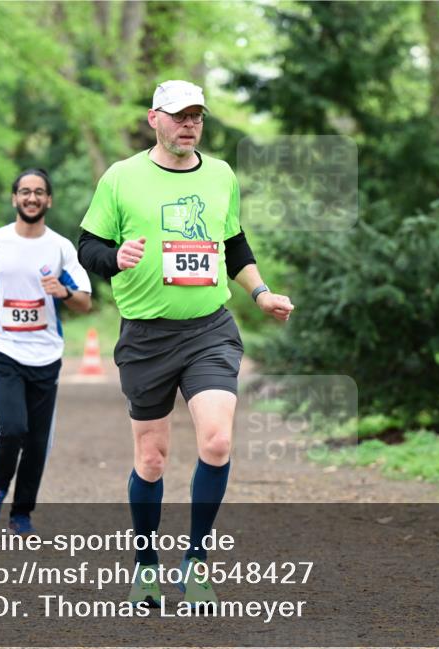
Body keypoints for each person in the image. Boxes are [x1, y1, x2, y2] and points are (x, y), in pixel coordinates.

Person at [78, 80, 294, 608]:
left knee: (217, 441)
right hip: (146, 336)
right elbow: (88, 245)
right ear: (155, 118)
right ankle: (146, 563)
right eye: (179, 115)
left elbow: (234, 242)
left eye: (197, 115)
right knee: (152, 459)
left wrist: (261, 292)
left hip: (208, 329)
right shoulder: (121, 177)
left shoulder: (220, 175)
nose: (189, 124)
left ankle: (196, 560)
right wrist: (115, 258)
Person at [0, 168, 92, 536]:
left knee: (37, 440)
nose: (32, 198)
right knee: (13, 427)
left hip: (46, 354)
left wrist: (62, 292)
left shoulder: (61, 247)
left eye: (39, 192)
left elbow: (85, 301)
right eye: (25, 192)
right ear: (15, 198)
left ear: (49, 200)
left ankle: (22, 512)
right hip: (2, 347)